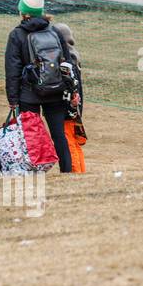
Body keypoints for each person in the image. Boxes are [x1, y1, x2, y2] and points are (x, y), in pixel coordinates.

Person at [4, 0, 72, 173]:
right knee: (59, 136)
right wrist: (70, 89)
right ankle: (67, 171)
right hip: (56, 91)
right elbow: (67, 62)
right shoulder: (55, 31)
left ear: (23, 12)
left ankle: (33, 172)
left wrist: (13, 99)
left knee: (31, 137)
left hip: (29, 94)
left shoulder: (17, 35)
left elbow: (12, 69)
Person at [50, 22, 87, 173]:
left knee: (69, 142)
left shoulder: (67, 58)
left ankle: (75, 172)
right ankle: (80, 171)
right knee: (74, 143)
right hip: (74, 108)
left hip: (68, 108)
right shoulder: (73, 55)